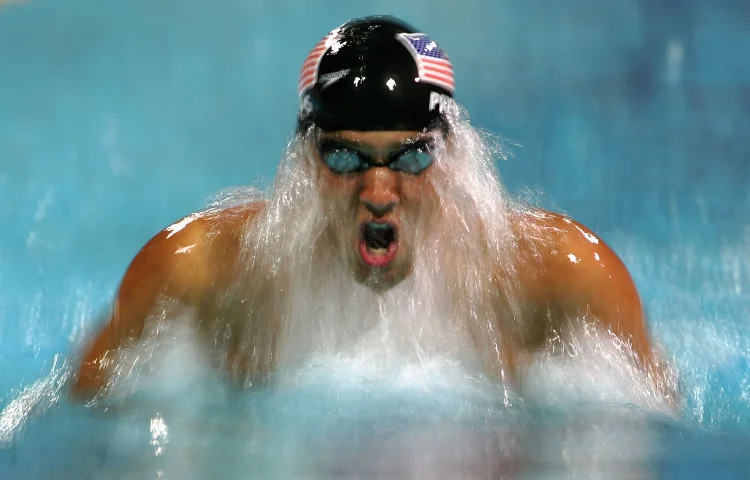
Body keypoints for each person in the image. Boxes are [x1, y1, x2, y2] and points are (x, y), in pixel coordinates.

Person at [71, 16, 673, 402]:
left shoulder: (563, 281)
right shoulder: (197, 275)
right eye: (346, 160)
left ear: (455, 160)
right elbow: (78, 437)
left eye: (410, 159)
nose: (380, 192)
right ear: (305, 164)